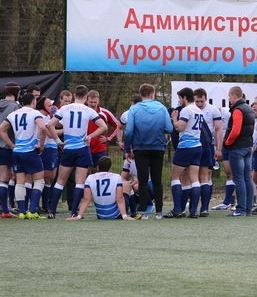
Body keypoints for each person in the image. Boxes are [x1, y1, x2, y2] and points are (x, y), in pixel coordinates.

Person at [47, 85, 107, 219]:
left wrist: (58, 142)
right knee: (80, 181)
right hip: (82, 149)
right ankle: (74, 212)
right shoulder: (88, 110)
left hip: (68, 148)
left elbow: (50, 125)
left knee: (60, 181)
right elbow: (103, 126)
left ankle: (52, 211)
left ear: (74, 95)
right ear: (86, 97)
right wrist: (90, 136)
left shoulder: (64, 108)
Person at [124, 83, 173, 220]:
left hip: (141, 148)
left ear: (141, 94)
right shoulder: (161, 108)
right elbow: (169, 128)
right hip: (158, 148)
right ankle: (159, 213)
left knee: (143, 180)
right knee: (157, 180)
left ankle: (144, 212)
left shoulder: (134, 109)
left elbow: (128, 131)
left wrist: (127, 149)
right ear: (153, 94)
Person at [0, 93, 47, 218]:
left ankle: (21, 212)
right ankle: (32, 211)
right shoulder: (35, 113)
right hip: (30, 151)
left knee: (20, 182)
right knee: (39, 181)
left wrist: (11, 145)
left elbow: (0, 130)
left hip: (17, 151)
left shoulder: (14, 114)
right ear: (34, 102)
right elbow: (42, 128)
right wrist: (41, 145)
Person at [164, 87, 203, 219]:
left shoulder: (186, 110)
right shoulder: (199, 110)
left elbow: (179, 128)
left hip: (186, 146)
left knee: (175, 177)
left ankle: (177, 209)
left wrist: (174, 118)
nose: (179, 101)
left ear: (185, 98)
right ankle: (193, 211)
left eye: (180, 98)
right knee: (194, 178)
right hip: (198, 146)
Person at [68, 156, 134, 221]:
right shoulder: (116, 177)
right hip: (116, 214)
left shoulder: (90, 178)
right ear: (110, 168)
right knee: (126, 184)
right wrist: (124, 216)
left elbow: (86, 199)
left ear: (98, 168)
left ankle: (132, 212)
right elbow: (119, 198)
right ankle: (133, 212)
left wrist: (79, 216)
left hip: (101, 215)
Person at [0, 82, 21, 215]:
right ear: (16, 93)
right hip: (10, 145)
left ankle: (4, 209)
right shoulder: (15, 107)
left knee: (3, 177)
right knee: (15, 176)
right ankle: (11, 205)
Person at [224, 86, 255, 217]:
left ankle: (240, 209)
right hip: (247, 147)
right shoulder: (249, 109)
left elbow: (235, 130)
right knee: (247, 177)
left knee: (239, 179)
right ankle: (248, 208)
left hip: (237, 148)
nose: (229, 99)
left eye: (229, 96)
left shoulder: (237, 110)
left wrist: (227, 142)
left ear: (234, 96)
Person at [194, 87, 223, 216]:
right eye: (197, 102)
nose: (199, 104)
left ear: (206, 98)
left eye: (202, 101)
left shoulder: (213, 110)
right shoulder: (190, 110)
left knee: (206, 175)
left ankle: (204, 207)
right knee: (192, 176)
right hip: (193, 146)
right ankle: (193, 206)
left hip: (207, 146)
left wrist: (218, 148)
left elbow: (218, 129)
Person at [36, 96, 60, 213]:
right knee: (46, 177)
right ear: (42, 106)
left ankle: (44, 205)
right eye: (49, 105)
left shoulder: (47, 117)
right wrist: (69, 129)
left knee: (49, 178)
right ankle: (41, 205)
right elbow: (50, 133)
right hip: (47, 149)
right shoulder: (42, 117)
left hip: (51, 149)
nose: (52, 107)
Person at [86, 90, 120, 170]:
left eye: (95, 102)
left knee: (103, 170)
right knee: (86, 171)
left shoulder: (104, 112)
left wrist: (108, 138)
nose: (93, 104)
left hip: (99, 147)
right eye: (91, 102)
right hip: (86, 146)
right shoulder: (82, 112)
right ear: (86, 101)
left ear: (98, 101)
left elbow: (118, 125)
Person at [212, 107, 236, 210]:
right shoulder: (208, 114)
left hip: (232, 145)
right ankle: (227, 202)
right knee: (228, 173)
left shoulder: (227, 113)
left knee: (238, 174)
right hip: (222, 146)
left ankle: (242, 202)